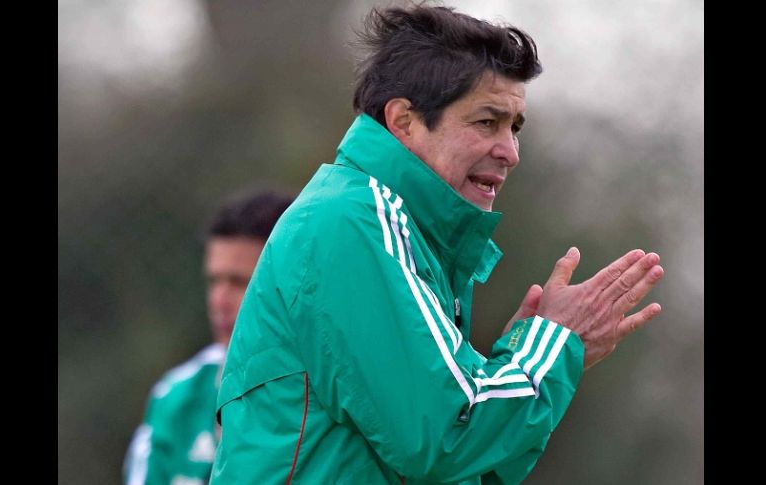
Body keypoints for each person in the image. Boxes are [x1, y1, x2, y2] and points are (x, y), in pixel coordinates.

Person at [212, 5, 664, 484]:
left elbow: (459, 463)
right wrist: (551, 346)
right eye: (487, 122)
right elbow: (446, 434)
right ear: (404, 121)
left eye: (515, 127)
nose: (510, 151)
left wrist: (521, 361)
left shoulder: (402, 232)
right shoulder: (350, 223)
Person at [123, 190, 293, 485]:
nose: (220, 300)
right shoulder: (177, 399)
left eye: (240, 282)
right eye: (214, 281)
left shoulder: (327, 393)